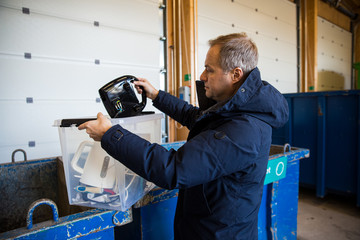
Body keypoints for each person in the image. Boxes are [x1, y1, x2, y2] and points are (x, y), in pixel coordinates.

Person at [78, 32, 289, 239]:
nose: (202, 76)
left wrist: (111, 134)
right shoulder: (237, 110)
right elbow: (196, 117)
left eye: (209, 70)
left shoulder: (244, 130)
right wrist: (156, 95)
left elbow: (174, 169)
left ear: (235, 75)